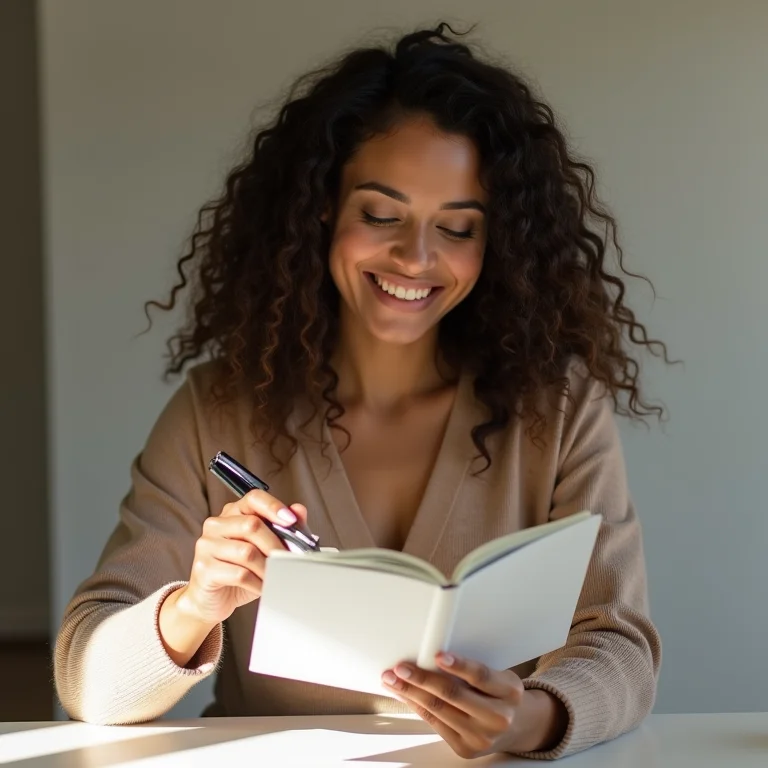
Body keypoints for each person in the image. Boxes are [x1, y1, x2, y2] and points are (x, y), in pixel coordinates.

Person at [54, 23, 669, 760]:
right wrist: (192, 608)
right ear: (323, 207)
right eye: (381, 215)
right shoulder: (217, 408)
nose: (416, 257)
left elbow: (619, 642)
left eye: (458, 228)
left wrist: (528, 719)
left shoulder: (559, 408)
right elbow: (86, 681)